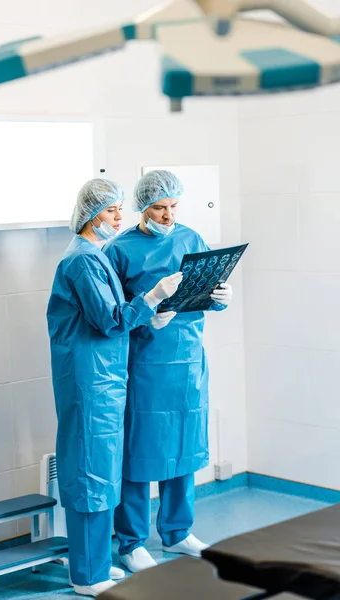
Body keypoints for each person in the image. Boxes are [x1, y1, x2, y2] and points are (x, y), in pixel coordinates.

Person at [46, 178, 182, 597]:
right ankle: (86, 576)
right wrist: (153, 298)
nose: (120, 218)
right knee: (90, 472)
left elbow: (117, 313)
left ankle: (98, 563)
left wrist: (150, 311)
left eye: (121, 209)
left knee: (105, 472)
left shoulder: (95, 255)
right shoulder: (82, 261)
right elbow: (109, 320)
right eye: (111, 211)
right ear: (90, 214)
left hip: (103, 378)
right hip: (89, 382)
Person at [104, 170, 233, 573]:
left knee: (184, 445)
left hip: (189, 358)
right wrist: (147, 317)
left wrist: (220, 298)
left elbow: (207, 285)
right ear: (142, 208)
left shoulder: (191, 237)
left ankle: (178, 533)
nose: (167, 215)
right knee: (141, 451)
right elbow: (113, 315)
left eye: (173, 207)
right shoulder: (119, 250)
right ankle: (131, 541)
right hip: (145, 362)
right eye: (159, 208)